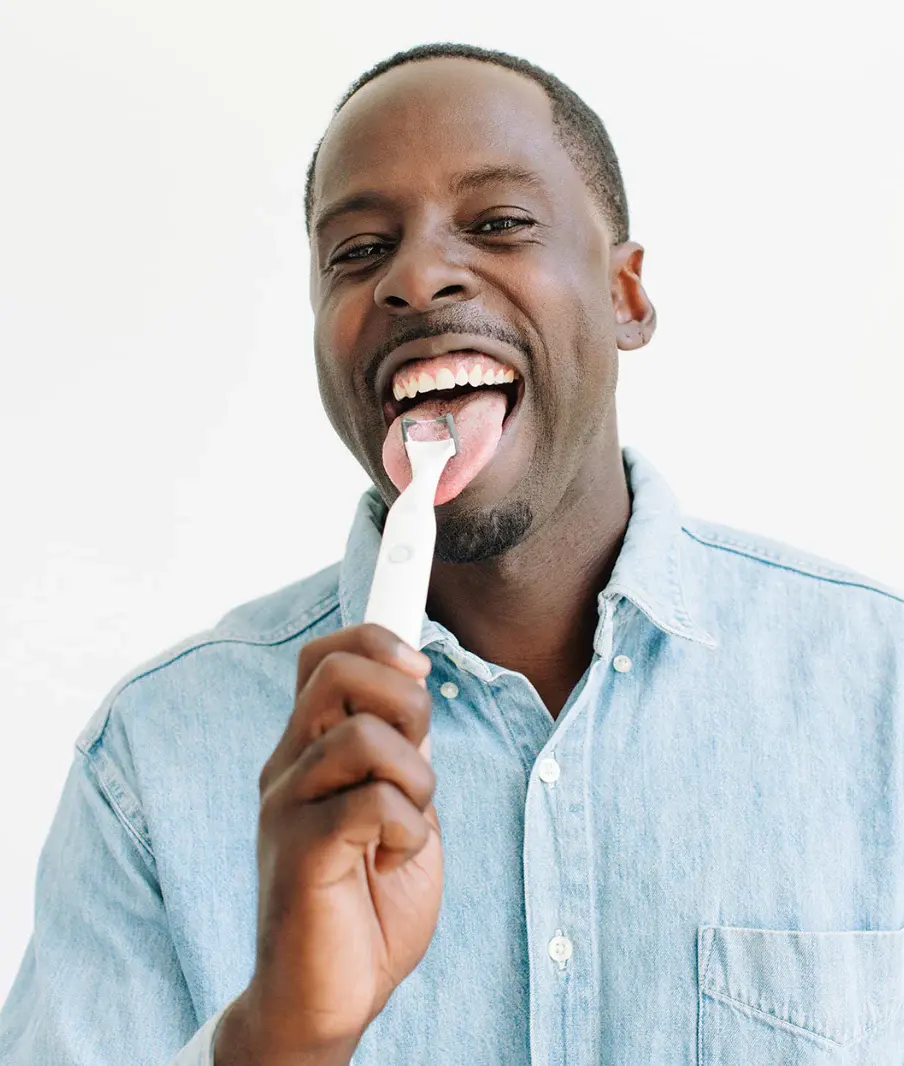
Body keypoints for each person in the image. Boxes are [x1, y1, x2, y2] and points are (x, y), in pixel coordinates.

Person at [2, 41, 903, 1066]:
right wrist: (278, 1035)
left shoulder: (883, 693)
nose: (417, 275)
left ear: (624, 296)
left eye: (499, 224)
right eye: (356, 250)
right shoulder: (150, 763)